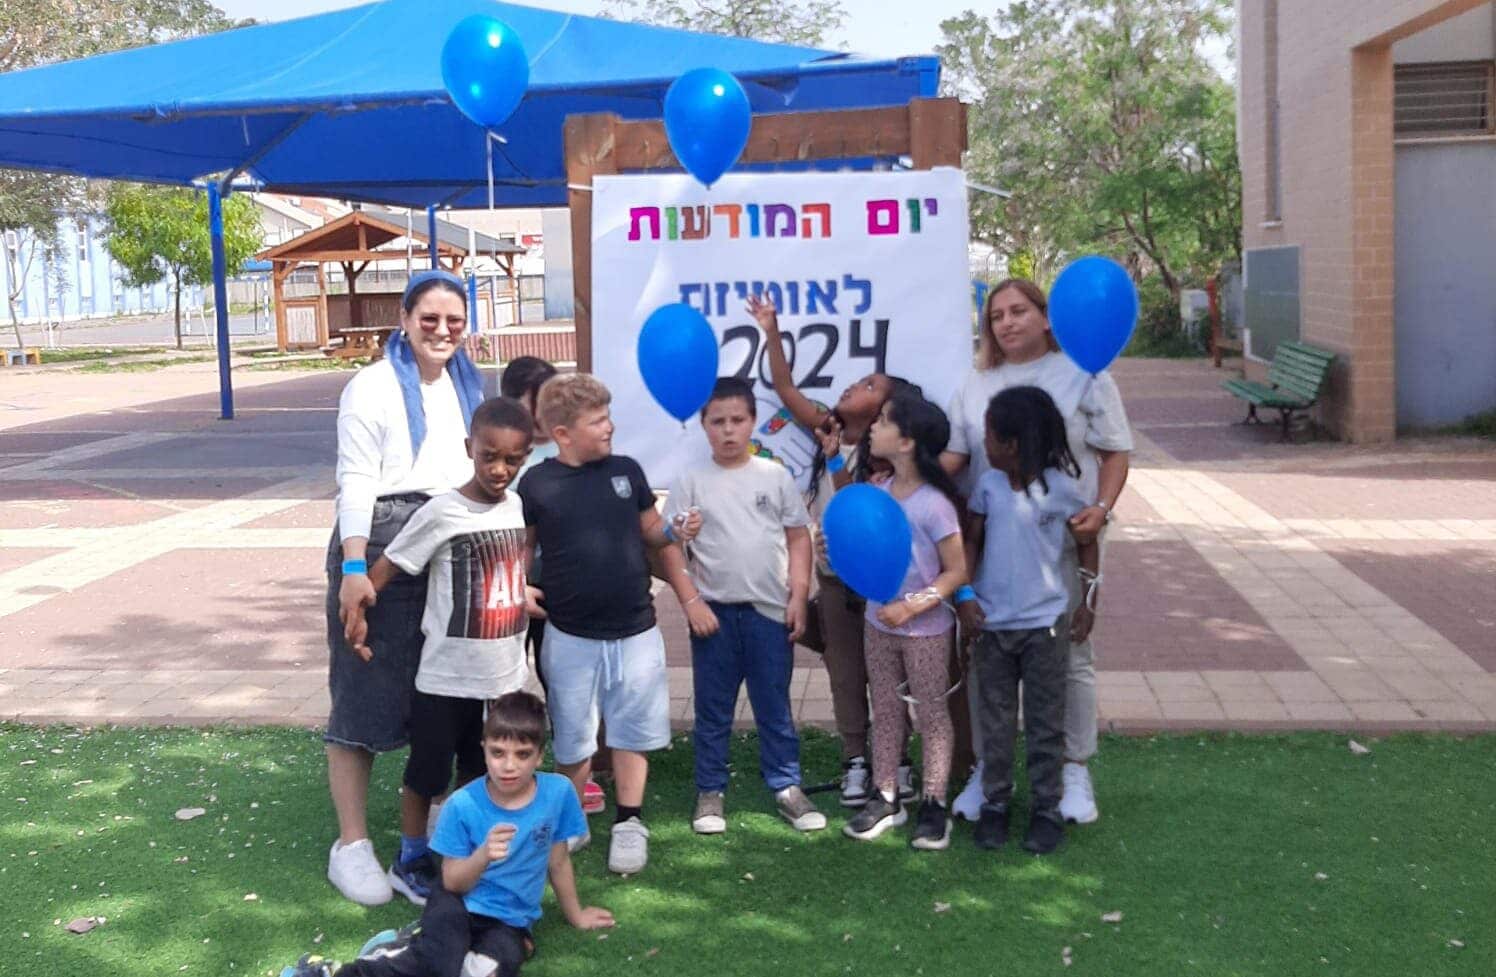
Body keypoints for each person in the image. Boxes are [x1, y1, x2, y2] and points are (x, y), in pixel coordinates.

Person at [941, 278, 1132, 826]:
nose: (1006, 322)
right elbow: (955, 458)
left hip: (1064, 535)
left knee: (1070, 651)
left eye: (1018, 311)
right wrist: (896, 481)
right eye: (996, 315)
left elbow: (1116, 452)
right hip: (992, 540)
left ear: (1047, 317)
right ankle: (987, 768)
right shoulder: (975, 382)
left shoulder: (1083, 373)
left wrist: (1102, 508)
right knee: (985, 652)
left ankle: (1073, 767)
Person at [326, 269, 487, 906]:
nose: (442, 330)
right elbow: (356, 479)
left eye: (454, 320)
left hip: (451, 543)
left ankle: (428, 839)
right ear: (404, 319)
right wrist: (354, 568)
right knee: (363, 690)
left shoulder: (467, 384)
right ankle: (352, 844)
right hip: (382, 538)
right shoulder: (370, 386)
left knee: (443, 696)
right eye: (430, 318)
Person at [342, 397, 538, 906]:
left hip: (500, 679)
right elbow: (389, 565)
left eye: (512, 460)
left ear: (527, 457)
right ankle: (410, 860)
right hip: (445, 680)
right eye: (489, 456)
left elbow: (503, 572)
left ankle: (465, 854)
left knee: (477, 770)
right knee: (427, 774)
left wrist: (520, 595)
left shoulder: (515, 507)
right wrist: (359, 611)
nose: (499, 469)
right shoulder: (442, 511)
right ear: (469, 448)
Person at [284, 692, 614, 977]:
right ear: (484, 749)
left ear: (540, 755)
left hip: (509, 921)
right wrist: (483, 855)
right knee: (438, 965)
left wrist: (576, 914)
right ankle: (333, 971)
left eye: (522, 754)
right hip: (457, 904)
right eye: (498, 752)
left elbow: (558, 861)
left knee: (487, 970)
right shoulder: (463, 804)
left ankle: (413, 944)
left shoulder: (557, 793)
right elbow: (453, 882)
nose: (508, 765)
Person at [515, 373, 700, 875]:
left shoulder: (627, 471)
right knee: (574, 739)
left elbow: (652, 532)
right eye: (597, 421)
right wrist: (518, 585)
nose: (609, 427)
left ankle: (629, 822)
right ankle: (569, 824)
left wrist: (676, 529)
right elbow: (523, 546)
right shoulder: (537, 483)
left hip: (636, 630)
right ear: (562, 434)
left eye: (608, 416)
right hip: (568, 635)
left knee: (631, 733)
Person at [748, 295, 925, 808]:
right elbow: (785, 389)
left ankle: (899, 758)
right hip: (832, 581)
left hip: (879, 585)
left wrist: (835, 463)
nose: (854, 385)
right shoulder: (826, 426)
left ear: (888, 412)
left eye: (870, 386)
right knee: (845, 675)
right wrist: (770, 330)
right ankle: (855, 758)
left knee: (887, 674)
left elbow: (857, 509)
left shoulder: (886, 457)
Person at [662, 377, 825, 835]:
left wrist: (798, 595)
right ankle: (710, 791)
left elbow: (798, 536)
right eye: (718, 422)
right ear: (704, 425)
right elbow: (668, 544)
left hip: (769, 613)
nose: (728, 430)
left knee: (774, 704)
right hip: (712, 615)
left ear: (753, 422)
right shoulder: (690, 480)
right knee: (712, 710)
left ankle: (787, 786)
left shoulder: (774, 476)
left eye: (737, 420)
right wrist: (691, 602)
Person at [961, 386, 1100, 855]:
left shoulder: (1062, 489)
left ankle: (1046, 809)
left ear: (1013, 443)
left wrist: (1088, 602)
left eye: (990, 436)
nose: (985, 443)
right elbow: (972, 541)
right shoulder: (988, 487)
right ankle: (996, 804)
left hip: (1046, 628)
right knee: (996, 720)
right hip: (993, 627)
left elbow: (1086, 542)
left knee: (1045, 722)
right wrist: (965, 597)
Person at [843, 392, 967, 850]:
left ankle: (934, 802)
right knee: (886, 709)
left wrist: (913, 605)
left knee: (931, 712)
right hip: (878, 624)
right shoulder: (877, 495)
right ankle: (885, 795)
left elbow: (956, 571)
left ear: (907, 441)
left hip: (925, 631)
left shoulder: (935, 505)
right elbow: (864, 554)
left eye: (883, 421)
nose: (873, 428)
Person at [498, 356, 608, 818]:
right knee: (503, 680)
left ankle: (583, 769)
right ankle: (501, 764)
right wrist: (514, 582)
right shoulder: (504, 454)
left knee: (566, 682)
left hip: (562, 588)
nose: (546, 415)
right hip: (508, 586)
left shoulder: (570, 453)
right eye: (536, 405)